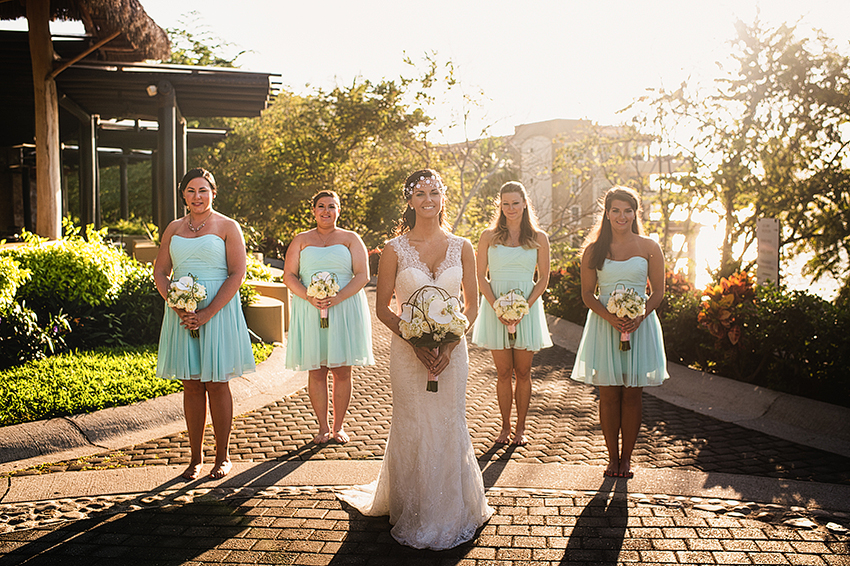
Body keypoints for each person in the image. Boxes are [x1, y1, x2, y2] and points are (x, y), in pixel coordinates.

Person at [337, 169, 493, 550]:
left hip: (453, 354)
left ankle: (452, 509)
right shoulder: (393, 249)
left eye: (435, 193)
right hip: (408, 355)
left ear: (443, 198)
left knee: (447, 420)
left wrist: (452, 343)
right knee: (414, 422)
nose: (428, 199)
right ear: (409, 201)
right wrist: (416, 341)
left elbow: (471, 307)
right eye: (420, 193)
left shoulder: (463, 246)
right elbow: (384, 308)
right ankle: (411, 505)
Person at [154, 167, 256, 480]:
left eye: (203, 190)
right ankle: (195, 457)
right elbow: (160, 273)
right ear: (183, 195)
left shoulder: (228, 226)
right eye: (191, 191)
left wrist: (208, 312)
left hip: (218, 311)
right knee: (192, 384)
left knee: (217, 383)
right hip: (181, 314)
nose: (197, 197)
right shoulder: (173, 227)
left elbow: (237, 273)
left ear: (213, 192)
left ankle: (222, 457)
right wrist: (177, 306)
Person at [570, 186, 668, 479]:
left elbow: (659, 292)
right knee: (609, 396)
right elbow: (588, 294)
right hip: (604, 326)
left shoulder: (650, 247)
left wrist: (640, 315)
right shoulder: (593, 249)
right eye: (616, 210)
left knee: (633, 396)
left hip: (640, 327)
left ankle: (627, 459)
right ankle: (612, 458)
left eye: (627, 210)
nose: (621, 216)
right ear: (607, 213)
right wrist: (611, 318)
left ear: (635, 213)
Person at [283, 190, 373, 444]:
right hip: (310, 309)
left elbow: (362, 275)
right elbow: (289, 275)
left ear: (339, 210)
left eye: (331, 206)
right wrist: (309, 296)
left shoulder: (351, 238)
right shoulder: (301, 239)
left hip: (343, 309)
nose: (326, 211)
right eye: (321, 206)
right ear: (313, 211)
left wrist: (339, 297)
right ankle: (322, 427)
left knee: (343, 370)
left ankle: (338, 427)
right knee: (317, 369)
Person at [472, 181, 552, 446]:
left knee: (524, 371)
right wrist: (497, 306)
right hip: (495, 309)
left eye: (515, 203)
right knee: (503, 372)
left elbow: (543, 280)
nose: (510, 208)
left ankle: (521, 428)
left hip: (527, 310)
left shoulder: (539, 238)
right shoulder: (488, 236)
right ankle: (504, 428)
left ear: (525, 203)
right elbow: (480, 276)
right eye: (505, 204)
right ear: (500, 205)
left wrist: (523, 308)